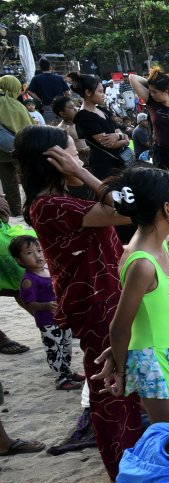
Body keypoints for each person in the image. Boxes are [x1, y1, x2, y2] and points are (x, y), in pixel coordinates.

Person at [13, 126, 143, 483]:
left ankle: (132, 460)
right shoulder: (51, 205)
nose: (81, 154)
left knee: (122, 380)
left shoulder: (58, 201)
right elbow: (131, 208)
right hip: (96, 303)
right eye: (72, 152)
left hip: (104, 298)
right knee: (111, 385)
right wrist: (84, 174)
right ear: (54, 160)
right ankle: (123, 469)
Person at [102, 166, 169, 422]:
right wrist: (120, 371)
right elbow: (119, 327)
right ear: (167, 209)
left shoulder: (160, 247)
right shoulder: (143, 263)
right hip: (151, 361)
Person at [11, 235, 82, 389]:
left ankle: (67, 372)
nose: (37, 255)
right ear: (20, 260)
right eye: (29, 253)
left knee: (66, 346)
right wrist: (45, 306)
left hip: (62, 318)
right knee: (54, 350)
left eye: (39, 250)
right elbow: (28, 302)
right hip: (47, 322)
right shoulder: (29, 280)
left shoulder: (48, 269)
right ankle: (61, 380)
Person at [68, 72, 132, 182]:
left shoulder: (103, 110)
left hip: (120, 161)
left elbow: (120, 135)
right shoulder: (83, 116)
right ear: (88, 92)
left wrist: (119, 136)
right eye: (100, 92)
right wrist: (123, 138)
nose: (104, 95)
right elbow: (108, 144)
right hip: (104, 166)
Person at [0, 76, 33, 214]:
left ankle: (15, 211)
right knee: (27, 178)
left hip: (1, 151)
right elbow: (28, 127)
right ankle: (31, 208)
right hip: (19, 148)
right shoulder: (16, 105)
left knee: (8, 182)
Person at [27, 59, 70, 125]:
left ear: (41, 68)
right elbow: (67, 92)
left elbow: (29, 91)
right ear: (50, 67)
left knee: (50, 128)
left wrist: (39, 99)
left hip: (47, 106)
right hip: (61, 106)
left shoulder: (36, 78)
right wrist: (65, 102)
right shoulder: (59, 78)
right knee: (64, 126)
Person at [52, 96, 89, 163]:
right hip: (78, 164)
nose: (75, 109)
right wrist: (83, 150)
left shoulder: (81, 122)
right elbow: (64, 151)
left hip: (90, 160)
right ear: (63, 113)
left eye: (74, 105)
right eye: (71, 107)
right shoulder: (62, 130)